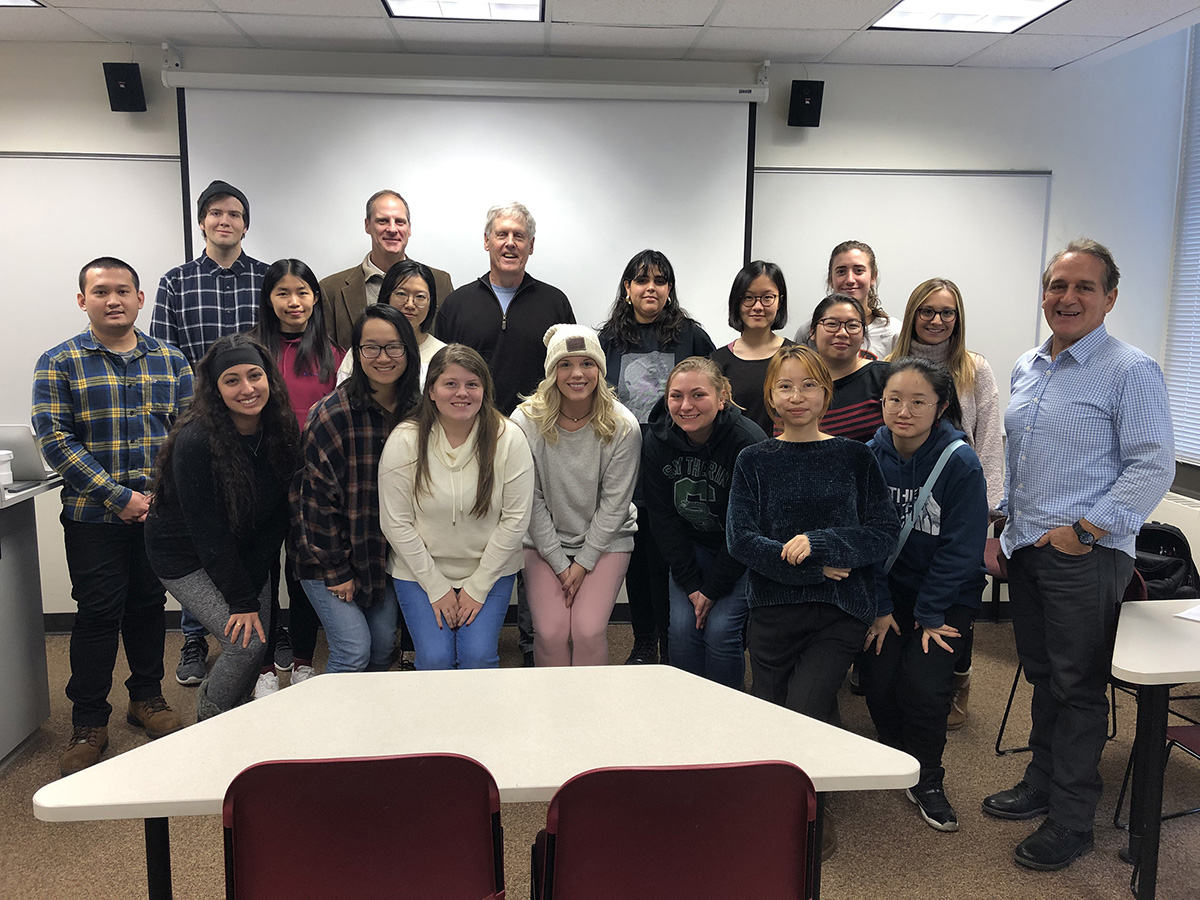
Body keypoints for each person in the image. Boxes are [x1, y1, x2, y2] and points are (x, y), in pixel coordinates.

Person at [981, 239, 1174, 871]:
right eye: (1057, 286)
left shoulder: (1130, 369)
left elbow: (1153, 468)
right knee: (1042, 675)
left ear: (1110, 298)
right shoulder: (1027, 366)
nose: (1067, 298)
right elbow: (1023, 458)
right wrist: (1004, 525)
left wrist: (1086, 531)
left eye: (1084, 287)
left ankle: (1072, 818)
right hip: (1029, 550)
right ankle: (1041, 781)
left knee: (1078, 685)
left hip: (1084, 555)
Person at [727, 344, 899, 857]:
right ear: (771, 397)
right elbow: (741, 540)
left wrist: (822, 544)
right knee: (769, 713)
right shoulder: (753, 459)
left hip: (838, 611)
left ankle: (807, 822)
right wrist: (808, 567)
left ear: (826, 392)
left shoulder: (854, 456)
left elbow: (881, 533)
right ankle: (774, 802)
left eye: (808, 385)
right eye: (785, 386)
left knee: (803, 711)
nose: (796, 396)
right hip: (773, 609)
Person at [33, 257, 192, 776]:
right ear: (83, 300)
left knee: (148, 605)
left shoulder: (171, 360)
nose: (113, 299)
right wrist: (116, 495)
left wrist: (161, 500)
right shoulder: (59, 361)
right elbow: (55, 439)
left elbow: (188, 434)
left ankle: (146, 699)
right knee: (98, 613)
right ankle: (88, 721)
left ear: (140, 298)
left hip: (157, 514)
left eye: (123, 290)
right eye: (100, 291)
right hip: (91, 515)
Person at [437, 202, 574, 664]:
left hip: (540, 441)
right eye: (502, 234)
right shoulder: (457, 304)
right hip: (469, 442)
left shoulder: (554, 302)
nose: (510, 243)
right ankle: (473, 636)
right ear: (486, 241)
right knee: (482, 532)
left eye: (519, 236)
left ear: (531, 246)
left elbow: (570, 372)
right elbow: (442, 374)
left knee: (532, 533)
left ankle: (535, 645)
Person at [150, 179, 275, 686]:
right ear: (202, 222)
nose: (226, 221)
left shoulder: (266, 279)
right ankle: (197, 637)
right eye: (216, 214)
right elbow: (165, 356)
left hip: (255, 423)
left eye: (235, 214)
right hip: (201, 426)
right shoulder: (176, 281)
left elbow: (269, 353)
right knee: (202, 526)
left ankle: (262, 635)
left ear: (246, 223)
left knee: (249, 525)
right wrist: (194, 426)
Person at [144, 335, 300, 720]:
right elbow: (206, 530)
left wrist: (249, 578)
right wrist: (242, 599)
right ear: (215, 389)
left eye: (254, 376)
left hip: (243, 549)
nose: (247, 388)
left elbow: (279, 514)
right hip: (184, 554)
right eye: (232, 380)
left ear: (270, 379)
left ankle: (237, 718)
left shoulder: (282, 429)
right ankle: (209, 726)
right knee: (244, 646)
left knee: (257, 643)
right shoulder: (196, 438)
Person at [863, 358, 988, 833]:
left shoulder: (960, 462)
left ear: (941, 407)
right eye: (894, 399)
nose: (904, 411)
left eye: (919, 402)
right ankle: (897, 754)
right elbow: (864, 538)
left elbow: (961, 549)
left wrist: (930, 612)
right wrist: (878, 605)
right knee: (878, 679)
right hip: (888, 591)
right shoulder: (869, 455)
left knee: (925, 686)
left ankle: (927, 779)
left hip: (945, 596)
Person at [889, 277, 1004, 730]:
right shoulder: (889, 365)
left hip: (962, 500)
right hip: (906, 502)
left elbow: (990, 440)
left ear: (958, 319)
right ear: (913, 313)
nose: (937, 321)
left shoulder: (975, 368)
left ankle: (959, 680)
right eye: (927, 311)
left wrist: (990, 508)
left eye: (947, 313)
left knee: (957, 594)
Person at [378, 344, 534, 670]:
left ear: (484, 390)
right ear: (431, 390)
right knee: (435, 659)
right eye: (450, 383)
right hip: (420, 573)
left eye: (472, 384)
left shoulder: (510, 438)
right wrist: (436, 587)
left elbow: (516, 520)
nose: (461, 393)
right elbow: (396, 522)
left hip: (488, 571)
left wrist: (477, 588)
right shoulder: (404, 439)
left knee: (477, 658)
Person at [599, 249, 715, 665]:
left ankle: (673, 644)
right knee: (637, 560)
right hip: (624, 467)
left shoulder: (692, 337)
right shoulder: (606, 341)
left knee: (669, 559)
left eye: (661, 280)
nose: (652, 287)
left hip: (677, 468)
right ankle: (644, 640)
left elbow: (712, 393)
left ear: (670, 289)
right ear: (627, 288)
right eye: (642, 280)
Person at [292, 305, 421, 674]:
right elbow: (312, 504)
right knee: (353, 652)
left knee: (382, 650)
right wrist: (337, 570)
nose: (383, 358)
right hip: (326, 557)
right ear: (356, 352)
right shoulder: (331, 415)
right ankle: (329, 730)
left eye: (394, 347)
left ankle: (373, 726)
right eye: (371, 348)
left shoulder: (420, 410)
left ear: (409, 351)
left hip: (382, 556)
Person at [511, 325, 640, 667]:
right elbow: (529, 498)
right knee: (551, 632)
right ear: (551, 371)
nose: (577, 374)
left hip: (606, 541)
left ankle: (592, 714)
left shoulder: (623, 425)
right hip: (542, 541)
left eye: (587, 363)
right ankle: (550, 713)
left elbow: (615, 504)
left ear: (600, 368)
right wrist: (558, 560)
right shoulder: (524, 421)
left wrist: (582, 563)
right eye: (565, 364)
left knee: (586, 631)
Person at [248, 259, 345, 692]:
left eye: (302, 292)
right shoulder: (250, 350)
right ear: (269, 300)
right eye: (283, 293)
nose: (293, 302)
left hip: (312, 480)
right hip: (260, 476)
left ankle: (304, 658)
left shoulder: (332, 353)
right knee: (263, 569)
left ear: (315, 298)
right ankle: (266, 665)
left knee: (304, 570)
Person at [643, 357, 766, 688]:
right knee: (682, 632)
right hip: (690, 547)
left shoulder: (747, 442)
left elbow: (749, 528)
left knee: (721, 632)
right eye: (676, 396)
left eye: (698, 395)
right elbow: (663, 517)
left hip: (737, 553)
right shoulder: (656, 441)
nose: (686, 406)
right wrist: (692, 584)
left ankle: (727, 719)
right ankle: (687, 715)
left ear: (721, 397)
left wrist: (712, 589)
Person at [320, 190, 454, 350]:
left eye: (400, 222)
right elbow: (327, 357)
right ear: (367, 225)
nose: (392, 229)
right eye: (383, 221)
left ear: (409, 229)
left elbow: (449, 349)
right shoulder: (331, 290)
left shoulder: (440, 282)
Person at [711, 261, 795, 434]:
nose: (757, 307)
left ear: (780, 301)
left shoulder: (797, 357)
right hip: (733, 457)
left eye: (767, 297)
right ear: (737, 301)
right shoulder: (716, 362)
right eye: (748, 298)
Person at [337, 259, 446, 388]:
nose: (410, 304)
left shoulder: (442, 354)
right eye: (401, 294)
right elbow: (342, 399)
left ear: (431, 304)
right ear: (386, 296)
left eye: (420, 296)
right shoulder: (366, 349)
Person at [796, 240, 899, 358]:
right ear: (830, 279)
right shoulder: (809, 331)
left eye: (859, 271)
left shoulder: (893, 332)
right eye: (841, 272)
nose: (850, 280)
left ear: (873, 277)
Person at [810, 294, 890, 442]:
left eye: (852, 326)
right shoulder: (796, 384)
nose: (842, 333)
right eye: (832, 324)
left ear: (863, 334)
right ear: (812, 332)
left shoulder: (884, 377)